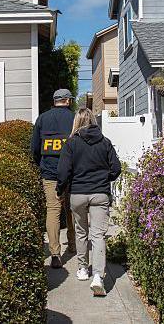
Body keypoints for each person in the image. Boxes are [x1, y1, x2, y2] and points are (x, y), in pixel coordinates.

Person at [57, 108, 121, 297]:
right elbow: (116, 168)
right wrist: (104, 178)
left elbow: (63, 172)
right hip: (100, 194)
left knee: (81, 232)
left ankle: (83, 269)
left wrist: (60, 189)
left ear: (76, 122)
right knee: (98, 235)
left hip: (77, 194)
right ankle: (98, 276)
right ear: (93, 121)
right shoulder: (105, 142)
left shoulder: (71, 143)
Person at [31, 88, 76, 268]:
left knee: (53, 211)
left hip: (50, 173)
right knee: (73, 209)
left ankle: (55, 253)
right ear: (67, 101)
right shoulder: (74, 118)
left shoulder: (42, 119)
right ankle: (74, 246)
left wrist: (40, 163)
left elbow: (34, 147)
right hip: (72, 173)